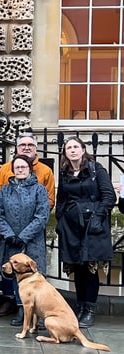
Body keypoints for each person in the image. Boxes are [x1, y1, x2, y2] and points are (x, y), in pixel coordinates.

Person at [0, 132, 56, 317]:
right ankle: (20, 308)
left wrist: (24, 236)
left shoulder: (40, 190)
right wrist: (9, 234)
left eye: (24, 167)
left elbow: (42, 215)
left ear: (29, 169)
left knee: (34, 275)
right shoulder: (5, 190)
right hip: (10, 239)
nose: (20, 169)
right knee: (13, 274)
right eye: (17, 167)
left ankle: (36, 311)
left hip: (32, 240)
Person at [56, 136, 116, 327]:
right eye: (68, 148)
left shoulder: (96, 169)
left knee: (90, 269)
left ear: (83, 149)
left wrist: (98, 218)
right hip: (71, 227)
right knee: (77, 268)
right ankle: (80, 307)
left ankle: (89, 309)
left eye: (75, 146)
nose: (72, 150)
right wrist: (61, 219)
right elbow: (61, 199)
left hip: (92, 226)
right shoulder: (64, 172)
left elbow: (109, 196)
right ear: (65, 153)